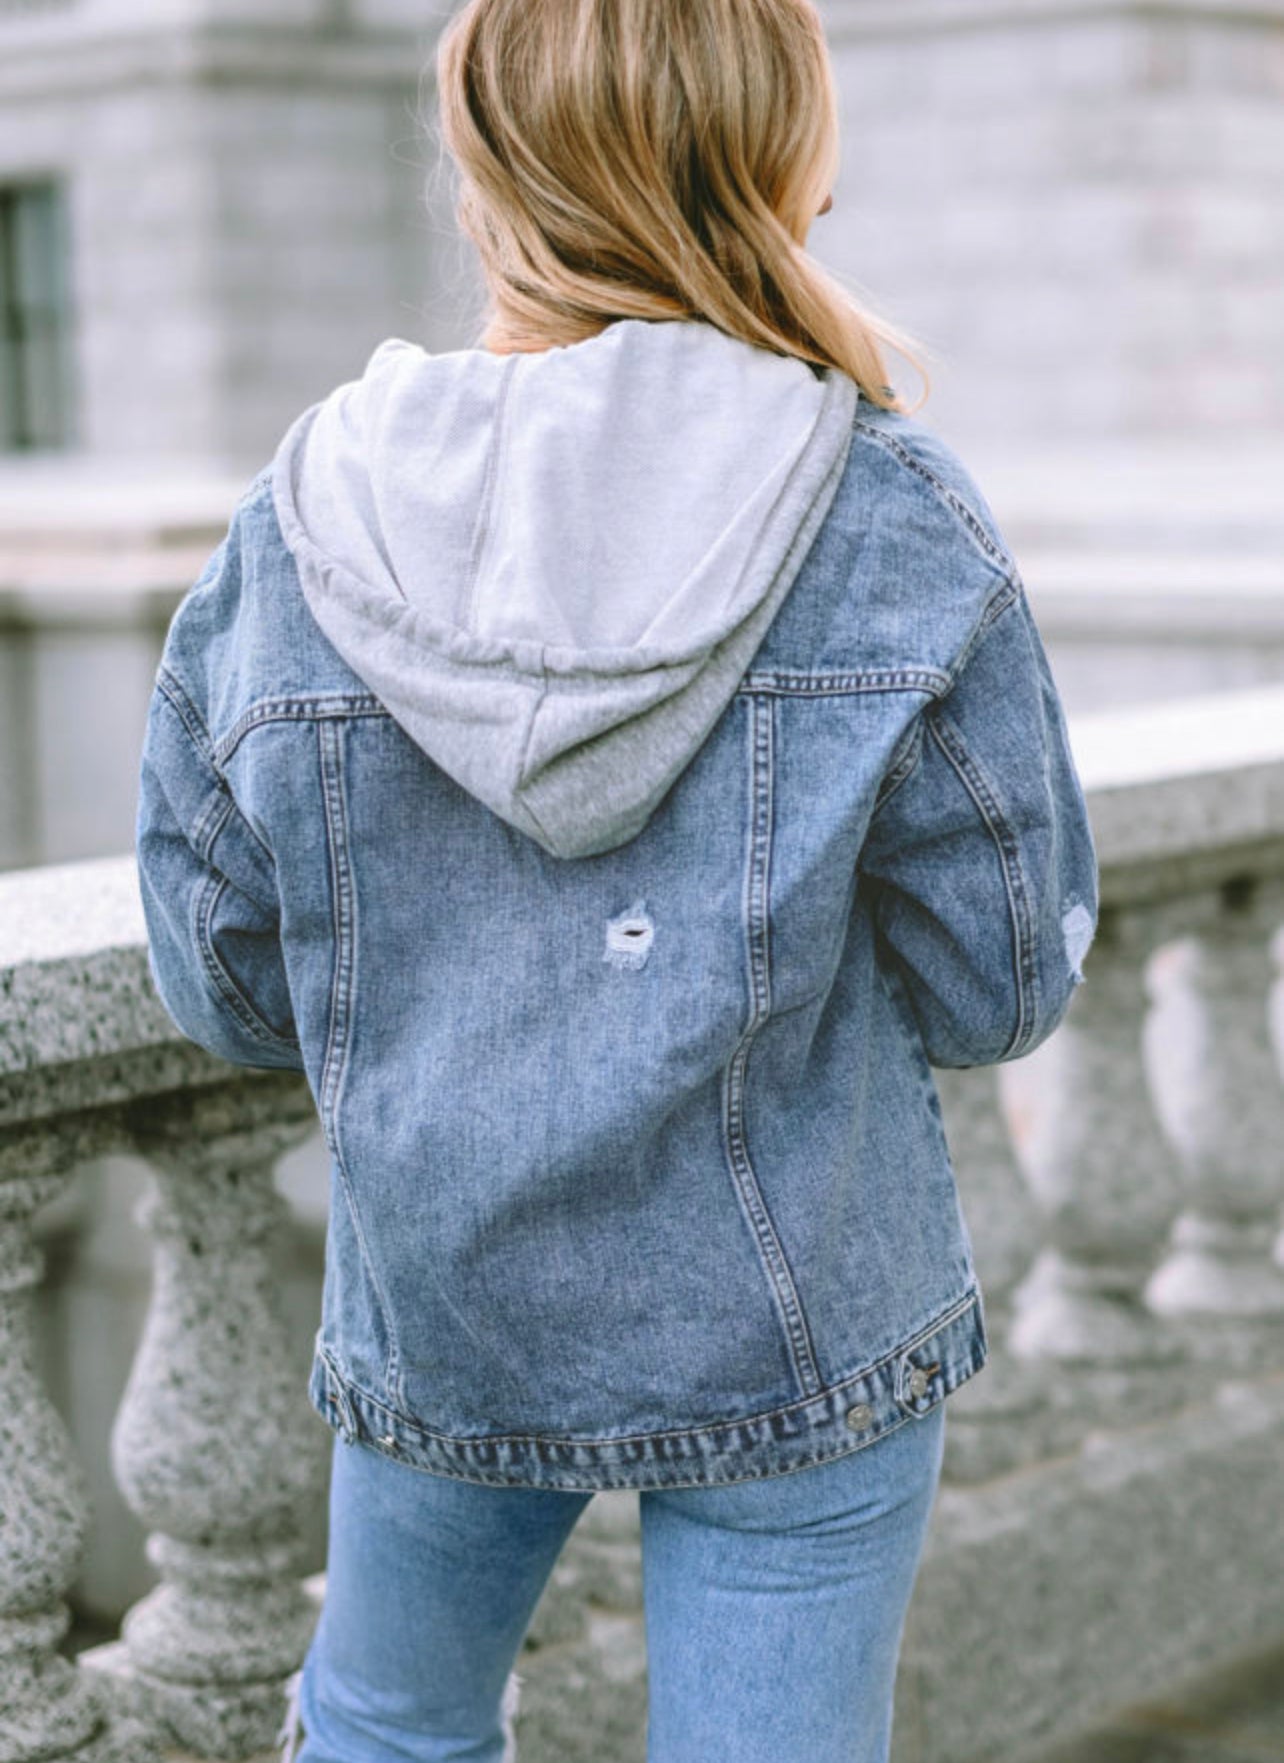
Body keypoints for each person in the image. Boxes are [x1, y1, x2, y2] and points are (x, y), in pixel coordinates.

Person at [134, 1, 1099, 1758]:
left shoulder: (302, 522)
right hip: (799, 1310)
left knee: (385, 1733)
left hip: (446, 1298)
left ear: (488, 168)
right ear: (776, 151)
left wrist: (441, 1001)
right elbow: (1002, 981)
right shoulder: (887, 511)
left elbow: (222, 970)